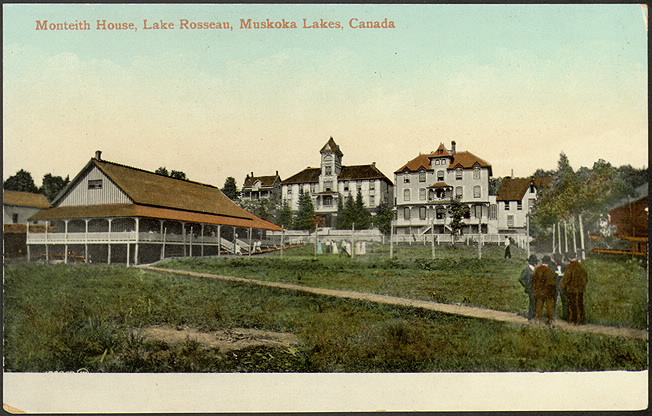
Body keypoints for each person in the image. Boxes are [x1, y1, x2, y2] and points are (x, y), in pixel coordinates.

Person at [562, 252, 588, 325]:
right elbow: (585, 278)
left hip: (572, 289)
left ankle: (574, 320)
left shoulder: (570, 267)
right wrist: (583, 286)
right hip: (580, 289)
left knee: (572, 305)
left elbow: (566, 278)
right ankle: (582, 320)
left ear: (569, 258)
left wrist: (562, 286)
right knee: (580, 304)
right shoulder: (580, 267)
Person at [532, 255, 557, 325]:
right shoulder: (549, 271)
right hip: (548, 292)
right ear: (548, 262)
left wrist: (535, 290)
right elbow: (552, 283)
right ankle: (551, 320)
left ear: (542, 261)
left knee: (539, 306)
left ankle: (537, 320)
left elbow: (533, 281)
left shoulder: (537, 270)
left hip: (539, 291)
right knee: (549, 306)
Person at [518, 254, 538, 320]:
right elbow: (521, 278)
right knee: (532, 302)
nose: (536, 264)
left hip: (535, 288)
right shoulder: (527, 270)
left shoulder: (534, 269)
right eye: (535, 262)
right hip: (530, 288)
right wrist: (526, 285)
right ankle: (531, 317)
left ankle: (533, 315)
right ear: (533, 263)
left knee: (535, 302)